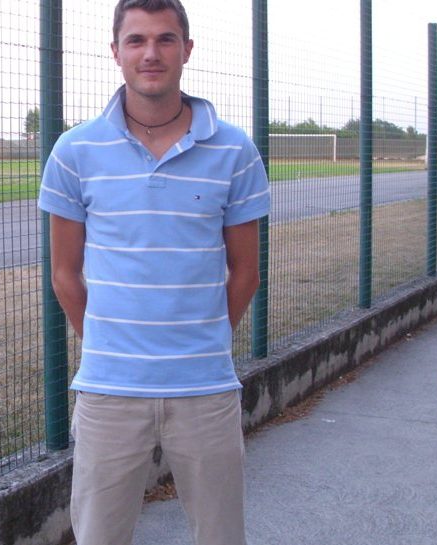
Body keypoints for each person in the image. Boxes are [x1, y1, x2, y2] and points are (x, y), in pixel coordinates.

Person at [38, 0, 270, 543]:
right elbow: (64, 274)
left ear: (187, 50)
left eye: (165, 39)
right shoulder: (75, 151)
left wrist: (205, 339)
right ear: (115, 51)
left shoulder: (234, 150)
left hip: (205, 388)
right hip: (109, 391)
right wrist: (107, 342)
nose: (151, 53)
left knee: (220, 535)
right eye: (137, 40)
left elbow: (245, 272)